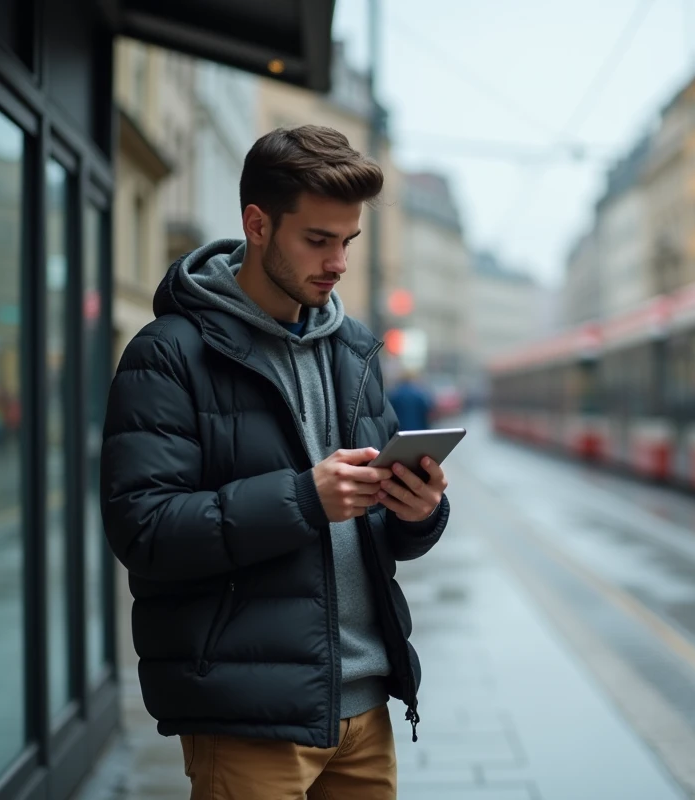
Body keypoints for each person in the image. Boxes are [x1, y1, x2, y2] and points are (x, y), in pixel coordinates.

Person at [100, 125, 450, 800]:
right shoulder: (168, 353)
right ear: (257, 225)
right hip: (248, 716)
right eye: (317, 240)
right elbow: (143, 530)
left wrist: (419, 512)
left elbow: (381, 531)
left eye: (347, 241)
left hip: (366, 705)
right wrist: (305, 499)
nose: (338, 262)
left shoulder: (353, 350)